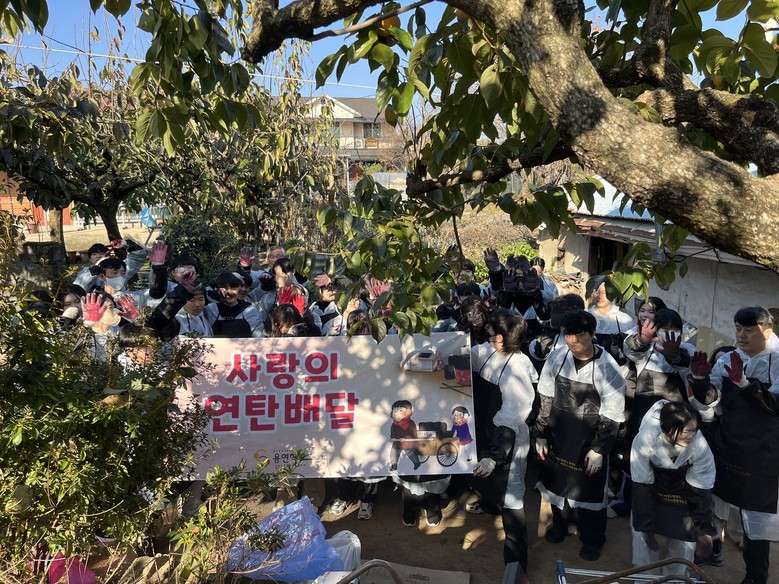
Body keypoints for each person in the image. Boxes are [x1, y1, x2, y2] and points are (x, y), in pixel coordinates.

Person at [688, 307, 779, 584]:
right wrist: (700, 381)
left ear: (767, 331)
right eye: (738, 328)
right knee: (715, 506)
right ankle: (711, 553)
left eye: (749, 330)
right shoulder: (729, 358)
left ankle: (755, 576)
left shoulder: (777, 361)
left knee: (756, 522)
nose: (741, 335)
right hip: (727, 444)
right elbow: (713, 400)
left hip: (762, 454)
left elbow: (774, 406)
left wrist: (745, 383)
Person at [534, 309, 626, 561]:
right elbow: (546, 397)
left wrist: (599, 450)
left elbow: (613, 414)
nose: (573, 340)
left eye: (579, 334)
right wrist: (540, 433)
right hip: (559, 437)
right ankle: (560, 525)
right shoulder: (557, 357)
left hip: (589, 441)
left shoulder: (608, 368)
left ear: (593, 334)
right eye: (567, 334)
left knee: (589, 492)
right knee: (557, 484)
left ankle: (592, 539)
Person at [469, 308, 538, 583]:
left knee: (512, 500)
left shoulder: (517, 370)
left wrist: (495, 455)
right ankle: (489, 504)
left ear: (501, 338)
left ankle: (516, 565)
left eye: (491, 332)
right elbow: (469, 358)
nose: (488, 335)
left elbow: (511, 417)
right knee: (488, 485)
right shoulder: (488, 352)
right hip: (485, 431)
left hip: (508, 442)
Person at [630, 400, 716, 579]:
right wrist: (646, 527)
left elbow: (701, 489)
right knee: (642, 538)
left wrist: (703, 528)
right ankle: (645, 578)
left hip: (684, 490)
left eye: (694, 430)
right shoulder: (645, 438)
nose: (691, 436)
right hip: (651, 488)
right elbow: (641, 485)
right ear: (668, 429)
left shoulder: (700, 445)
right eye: (686, 431)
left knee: (685, 539)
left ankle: (675, 578)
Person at [586, 275, 634, 371]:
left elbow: (632, 350)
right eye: (596, 291)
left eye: (605, 292)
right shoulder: (584, 318)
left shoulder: (624, 320)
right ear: (591, 293)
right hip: (590, 372)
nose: (600, 296)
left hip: (620, 372)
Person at [204, 272, 266, 338]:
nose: (229, 293)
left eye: (233, 288)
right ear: (217, 290)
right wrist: (228, 275)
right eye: (225, 288)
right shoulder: (210, 310)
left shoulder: (250, 311)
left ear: (239, 289)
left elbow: (259, 338)